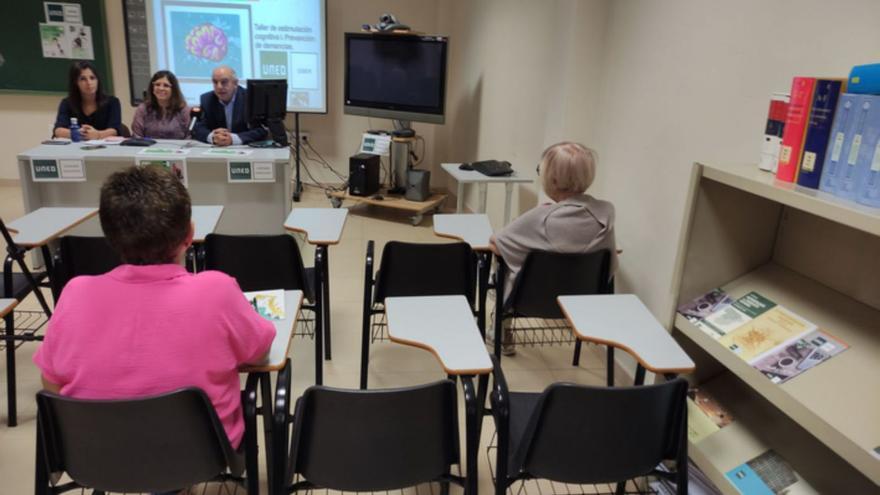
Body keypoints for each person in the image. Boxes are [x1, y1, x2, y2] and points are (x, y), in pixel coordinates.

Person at [33, 166, 275, 451]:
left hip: (95, 454)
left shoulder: (75, 293)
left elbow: (51, 382)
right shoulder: (217, 290)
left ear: (109, 237)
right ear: (190, 234)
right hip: (202, 453)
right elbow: (259, 354)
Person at [489, 142, 617, 355]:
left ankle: (499, 330)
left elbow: (497, 243)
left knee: (504, 264)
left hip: (529, 301)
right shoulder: (606, 213)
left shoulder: (540, 218)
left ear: (554, 180)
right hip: (584, 302)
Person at [192, 65, 267, 145]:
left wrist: (233, 139)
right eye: (215, 82)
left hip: (245, 149)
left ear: (235, 83)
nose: (219, 87)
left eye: (224, 82)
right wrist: (213, 137)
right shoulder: (207, 99)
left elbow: (262, 130)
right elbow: (198, 127)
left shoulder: (251, 98)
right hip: (217, 150)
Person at [53, 60, 122, 140]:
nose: (89, 82)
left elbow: (115, 130)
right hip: (76, 149)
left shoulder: (112, 102)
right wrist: (77, 133)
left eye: (92, 78)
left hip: (106, 149)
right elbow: (58, 130)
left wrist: (98, 135)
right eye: (83, 79)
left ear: (98, 80)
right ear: (76, 82)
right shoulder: (67, 103)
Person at [131, 70, 191, 139]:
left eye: (166, 85)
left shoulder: (183, 110)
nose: (161, 88)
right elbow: (137, 135)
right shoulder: (143, 109)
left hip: (177, 149)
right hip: (149, 148)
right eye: (157, 84)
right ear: (152, 88)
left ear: (173, 89)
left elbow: (189, 136)